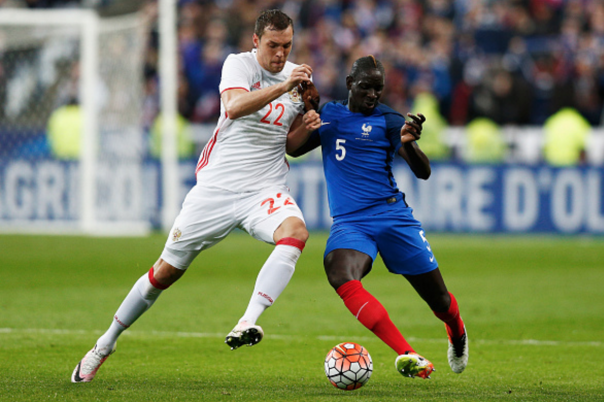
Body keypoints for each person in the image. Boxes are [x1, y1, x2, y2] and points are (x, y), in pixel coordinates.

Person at [71, 9, 322, 383]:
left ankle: (247, 321)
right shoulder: (239, 66)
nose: (281, 54)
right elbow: (234, 107)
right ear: (256, 42)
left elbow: (290, 144)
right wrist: (284, 89)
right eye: (273, 45)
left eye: (287, 46)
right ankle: (104, 345)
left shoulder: (297, 80)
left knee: (296, 233)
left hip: (265, 189)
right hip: (216, 191)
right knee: (164, 273)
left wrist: (309, 125)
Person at [290, 56, 468, 379]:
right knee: (339, 272)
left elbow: (423, 172)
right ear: (349, 85)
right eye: (365, 88)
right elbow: (295, 149)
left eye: (378, 89)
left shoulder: (388, 120)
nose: (373, 95)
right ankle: (407, 353)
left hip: (392, 216)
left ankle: (456, 329)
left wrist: (409, 145)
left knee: (439, 299)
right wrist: (306, 112)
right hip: (350, 223)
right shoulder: (329, 114)